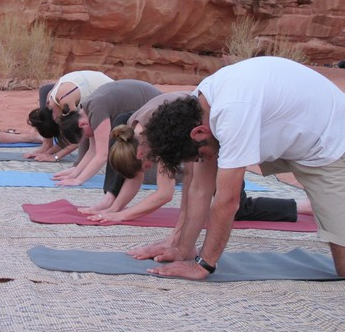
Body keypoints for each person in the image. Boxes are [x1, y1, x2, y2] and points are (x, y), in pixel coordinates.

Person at [138, 56, 345, 279]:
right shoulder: (198, 104)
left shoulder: (232, 113)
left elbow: (228, 201)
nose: (205, 159)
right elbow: (199, 187)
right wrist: (182, 247)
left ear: (199, 132)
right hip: (294, 130)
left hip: (330, 142)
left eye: (201, 155)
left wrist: (203, 265)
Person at [80, 91, 312, 226]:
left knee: (238, 208)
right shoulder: (134, 133)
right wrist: (114, 209)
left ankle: (305, 206)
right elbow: (134, 177)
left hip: (216, 138)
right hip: (204, 135)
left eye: (146, 164)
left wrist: (121, 215)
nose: (148, 167)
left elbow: (164, 194)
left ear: (141, 154)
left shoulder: (155, 134)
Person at [53, 79, 161, 187]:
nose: (89, 136)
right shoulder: (86, 110)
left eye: (86, 135)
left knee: (144, 176)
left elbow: (102, 155)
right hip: (145, 102)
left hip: (156, 106)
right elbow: (92, 150)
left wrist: (78, 181)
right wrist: (75, 173)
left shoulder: (97, 110)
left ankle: (173, 173)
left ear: (82, 125)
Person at [24, 71, 114, 162]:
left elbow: (78, 136)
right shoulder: (50, 99)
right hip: (90, 80)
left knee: (86, 129)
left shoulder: (66, 102)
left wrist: (55, 157)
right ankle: (46, 146)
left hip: (110, 90)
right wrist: (47, 153)